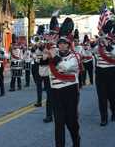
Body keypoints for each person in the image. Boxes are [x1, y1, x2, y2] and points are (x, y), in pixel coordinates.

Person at [48, 17, 80, 147]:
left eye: (64, 43)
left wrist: (53, 56)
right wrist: (44, 56)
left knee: (71, 122)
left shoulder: (75, 56)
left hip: (70, 92)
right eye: (59, 43)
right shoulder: (53, 54)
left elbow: (65, 67)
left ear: (68, 44)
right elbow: (43, 69)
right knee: (59, 123)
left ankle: (76, 141)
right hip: (55, 92)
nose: (61, 45)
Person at [93, 18, 115, 126]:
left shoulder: (112, 47)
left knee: (112, 96)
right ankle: (104, 118)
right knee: (101, 97)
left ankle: (114, 112)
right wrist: (97, 41)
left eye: (107, 39)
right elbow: (88, 50)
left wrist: (108, 45)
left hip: (111, 73)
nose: (104, 40)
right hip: (100, 73)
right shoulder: (98, 48)